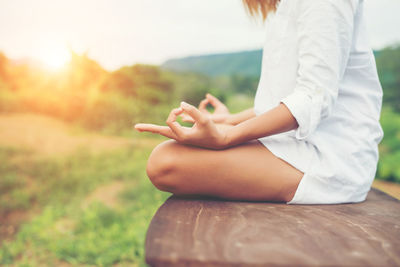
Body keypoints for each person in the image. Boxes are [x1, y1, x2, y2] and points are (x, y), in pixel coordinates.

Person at [135, 0, 384, 204]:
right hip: (298, 144)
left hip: (331, 159)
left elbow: (313, 99)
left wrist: (227, 136)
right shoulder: (283, 6)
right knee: (171, 155)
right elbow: (285, 101)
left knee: (165, 163)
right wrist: (229, 121)